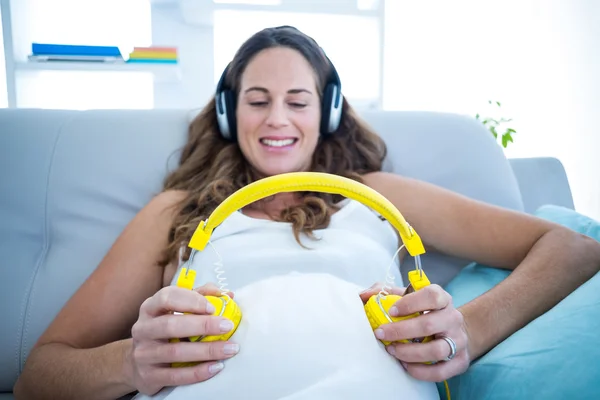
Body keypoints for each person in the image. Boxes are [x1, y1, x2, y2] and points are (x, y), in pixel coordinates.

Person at [13, 25, 600, 400]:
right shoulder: (179, 212)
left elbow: (572, 249)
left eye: (298, 101)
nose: (276, 120)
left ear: (328, 111)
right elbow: (40, 376)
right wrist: (134, 365)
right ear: (225, 112)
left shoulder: (376, 195)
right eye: (256, 100)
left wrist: (467, 331)